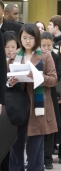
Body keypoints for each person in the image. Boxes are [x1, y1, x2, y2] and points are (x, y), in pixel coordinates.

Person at [8, 23, 58, 171]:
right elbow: (9, 78)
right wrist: (11, 82)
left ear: (36, 38)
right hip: (18, 105)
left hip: (38, 104)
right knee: (16, 143)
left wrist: (38, 76)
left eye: (30, 38)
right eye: (24, 37)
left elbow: (54, 79)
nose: (27, 41)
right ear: (20, 38)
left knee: (36, 145)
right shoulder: (16, 55)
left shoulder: (45, 54)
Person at [41, 31, 61, 169]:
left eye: (49, 45)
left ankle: (47, 159)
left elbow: (58, 76)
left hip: (51, 94)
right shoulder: (35, 55)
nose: (46, 48)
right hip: (35, 94)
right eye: (44, 45)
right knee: (36, 129)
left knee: (49, 128)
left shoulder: (55, 56)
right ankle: (34, 157)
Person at [0, 31, 18, 171]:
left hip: (12, 108)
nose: (11, 50)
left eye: (14, 47)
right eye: (8, 47)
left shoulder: (18, 61)